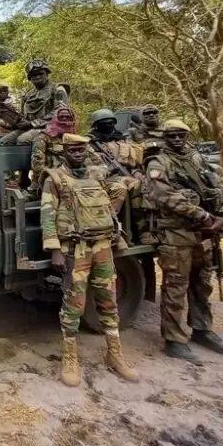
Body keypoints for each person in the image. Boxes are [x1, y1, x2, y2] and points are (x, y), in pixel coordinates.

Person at [40, 134, 139, 386]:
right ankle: (70, 358)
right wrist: (55, 249)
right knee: (74, 304)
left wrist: (110, 214)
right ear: (64, 152)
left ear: (86, 151)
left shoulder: (97, 175)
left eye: (81, 149)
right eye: (72, 149)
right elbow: (48, 216)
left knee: (108, 300)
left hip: (103, 246)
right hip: (76, 248)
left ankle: (114, 353)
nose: (77, 153)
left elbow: (116, 191)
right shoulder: (55, 179)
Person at [144, 119, 223, 365]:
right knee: (175, 287)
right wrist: (205, 216)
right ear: (165, 137)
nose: (176, 139)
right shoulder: (157, 164)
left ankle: (202, 329)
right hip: (176, 235)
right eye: (171, 135)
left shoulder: (198, 160)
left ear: (187, 136)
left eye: (181, 135)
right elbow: (164, 196)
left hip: (204, 234)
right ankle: (174, 340)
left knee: (202, 284)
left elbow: (218, 188)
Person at [0, 60, 69, 146]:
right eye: (34, 75)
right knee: (2, 142)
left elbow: (59, 114)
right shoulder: (29, 95)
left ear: (47, 74)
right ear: (29, 77)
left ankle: (35, 159)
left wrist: (32, 123)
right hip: (30, 128)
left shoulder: (57, 90)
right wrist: (18, 122)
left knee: (22, 140)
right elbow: (24, 115)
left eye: (41, 74)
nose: (37, 77)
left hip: (51, 128)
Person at [30, 106, 77, 191]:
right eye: (61, 117)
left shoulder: (75, 137)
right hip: (50, 180)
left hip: (74, 179)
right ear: (55, 118)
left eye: (68, 117)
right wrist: (53, 177)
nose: (65, 119)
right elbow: (37, 165)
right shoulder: (43, 137)